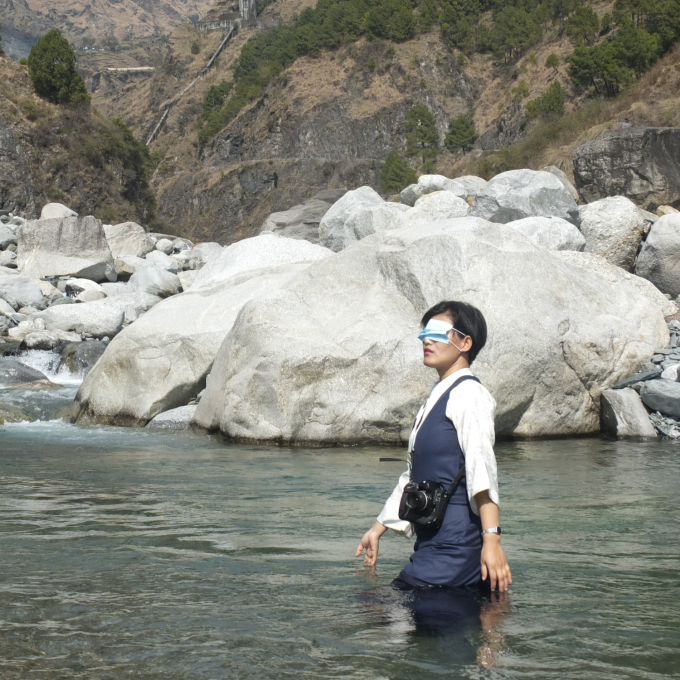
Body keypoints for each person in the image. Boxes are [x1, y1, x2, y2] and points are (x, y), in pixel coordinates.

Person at [355, 300, 511, 591]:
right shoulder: (436, 397)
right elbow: (414, 477)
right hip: (431, 546)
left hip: (456, 548)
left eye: (438, 332)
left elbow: (482, 468)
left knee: (380, 616)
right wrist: (378, 529)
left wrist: (492, 541)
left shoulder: (469, 394)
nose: (427, 339)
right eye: (425, 332)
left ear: (465, 342)